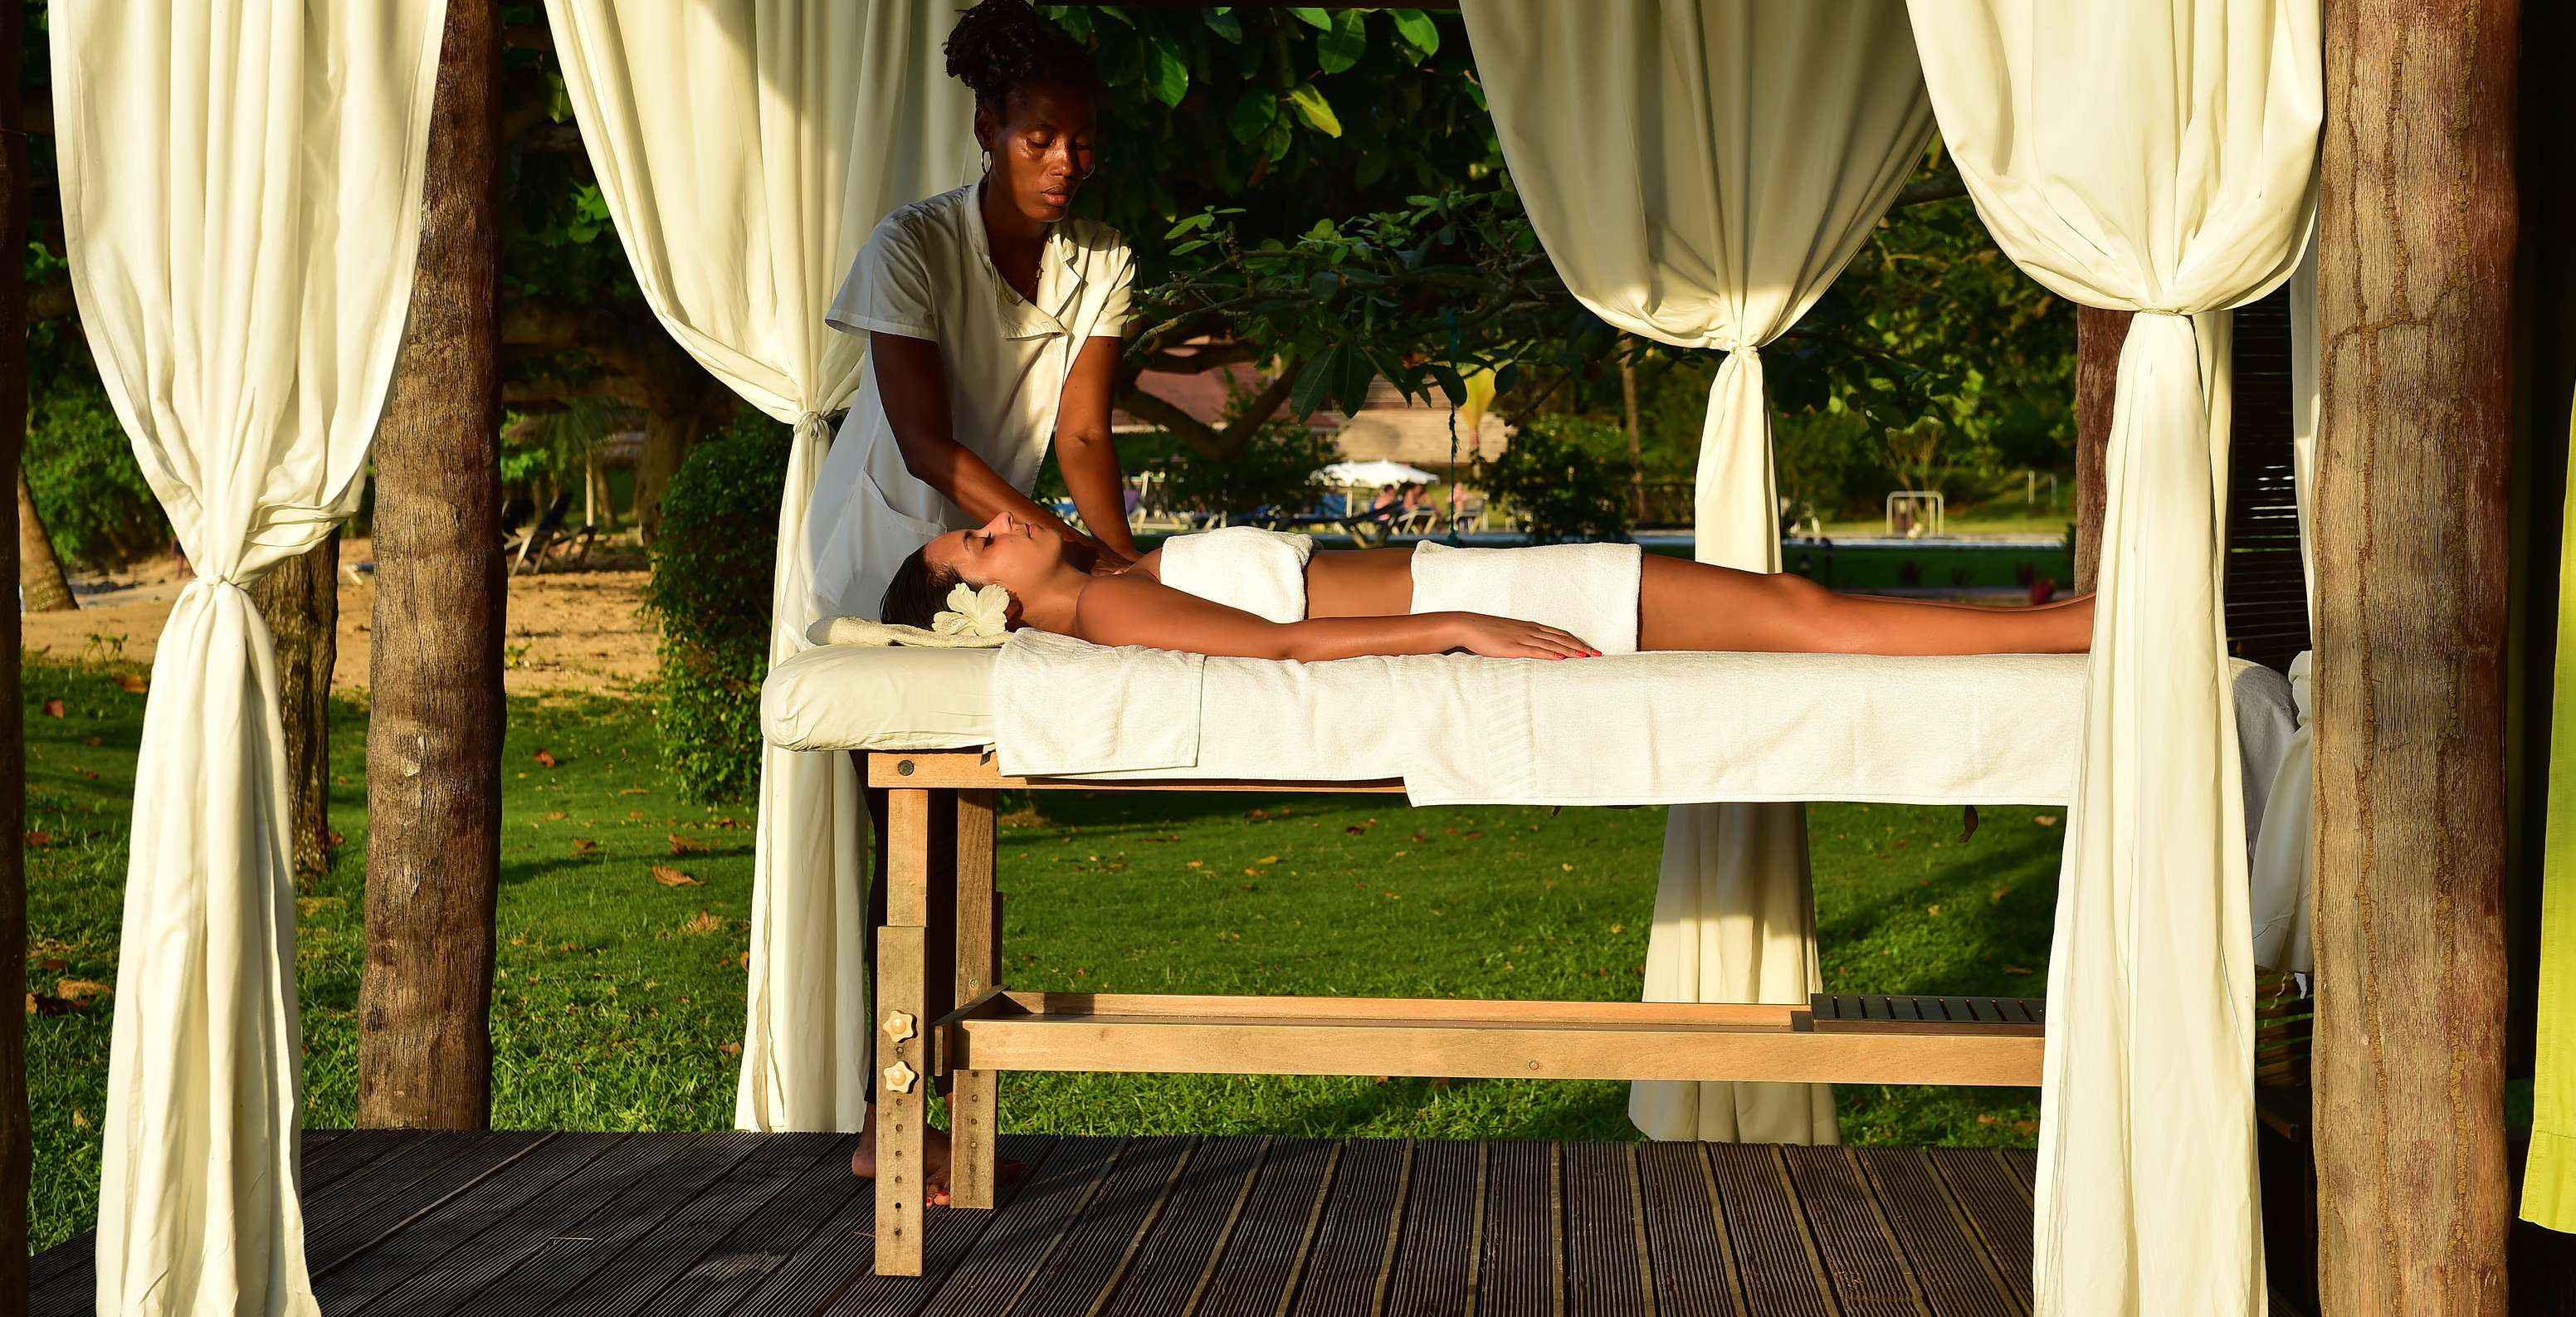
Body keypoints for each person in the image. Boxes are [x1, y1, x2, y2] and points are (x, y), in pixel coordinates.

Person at [810, 0, 1134, 1199]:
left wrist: (1122, 553)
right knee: (908, 845)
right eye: (1039, 136)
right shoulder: (910, 244)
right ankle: (885, 1120)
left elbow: (1086, 431)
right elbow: (924, 439)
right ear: (989, 127)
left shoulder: (1101, 256)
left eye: (1082, 139)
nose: (1064, 161)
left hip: (996, 548)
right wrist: (1048, 536)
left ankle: (940, 1103)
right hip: (887, 552)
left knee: (964, 836)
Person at [881, 513, 2095, 658]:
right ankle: (2072, 635)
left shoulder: (1110, 572)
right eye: (976, 550)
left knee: (1788, 602)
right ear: (988, 609)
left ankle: (2052, 624)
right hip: (1500, 591)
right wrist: (1458, 622)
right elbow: (1287, 649)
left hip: (1499, 576)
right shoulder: (1109, 607)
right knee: (1801, 615)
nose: (997, 524)